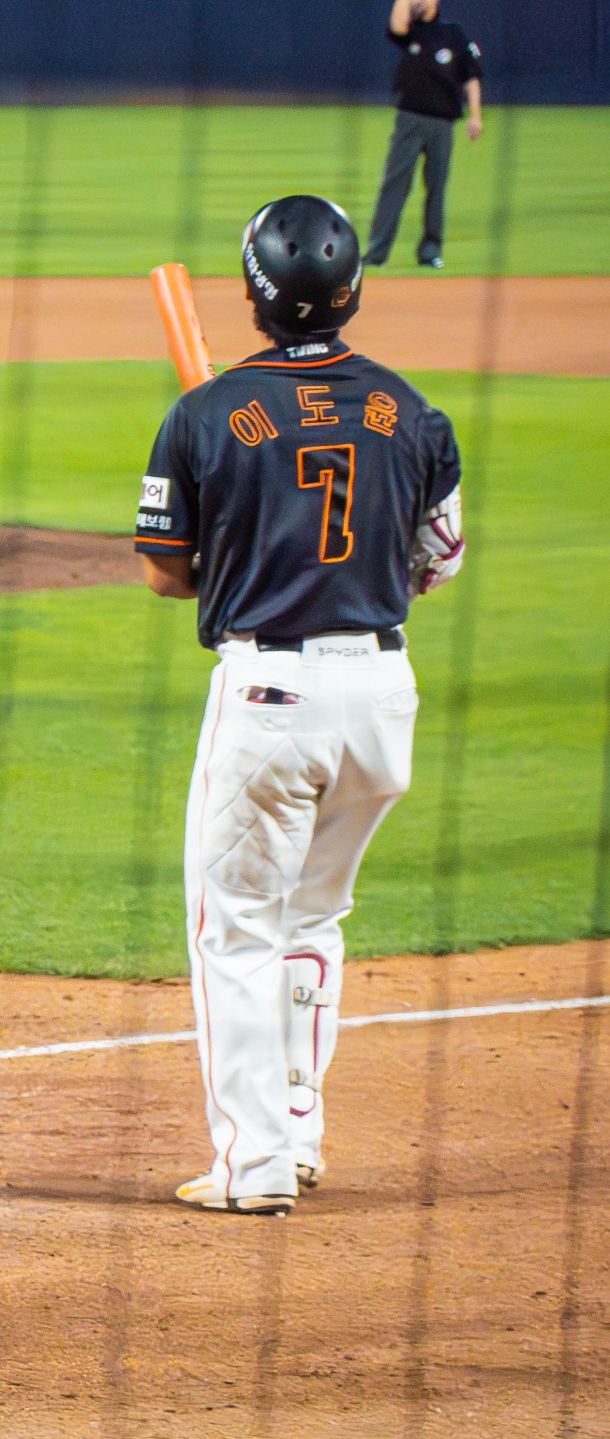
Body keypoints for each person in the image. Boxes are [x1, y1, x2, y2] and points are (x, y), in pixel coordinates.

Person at [133, 195, 465, 1216]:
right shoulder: (410, 410)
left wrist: (250, 557)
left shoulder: (206, 416)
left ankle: (254, 1166)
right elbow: (439, 559)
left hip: (270, 699)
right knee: (313, 917)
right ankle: (299, 1133)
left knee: (235, 933)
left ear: (252, 293)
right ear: (352, 289)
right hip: (382, 698)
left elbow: (164, 572)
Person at [365, 0, 483, 271]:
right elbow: (396, 26)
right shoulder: (411, 32)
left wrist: (475, 115)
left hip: (442, 122)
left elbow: (471, 75)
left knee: (436, 187)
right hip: (410, 118)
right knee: (394, 184)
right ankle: (376, 253)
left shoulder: (453, 34)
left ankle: (430, 251)